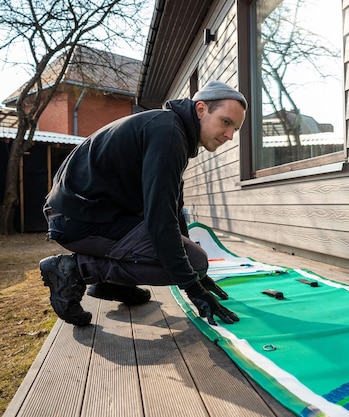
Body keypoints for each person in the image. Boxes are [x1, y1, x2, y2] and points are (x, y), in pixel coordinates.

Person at [39, 81, 246, 327]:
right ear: (201, 109)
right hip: (79, 220)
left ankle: (112, 285)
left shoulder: (168, 128)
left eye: (235, 128)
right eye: (226, 122)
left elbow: (172, 208)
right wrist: (193, 284)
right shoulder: (169, 133)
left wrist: (197, 277)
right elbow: (160, 220)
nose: (230, 135)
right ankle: (75, 269)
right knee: (195, 261)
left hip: (83, 213)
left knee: (191, 261)